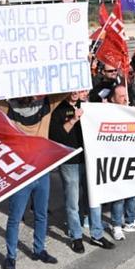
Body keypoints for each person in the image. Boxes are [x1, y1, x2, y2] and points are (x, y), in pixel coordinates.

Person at [0, 94, 64, 269]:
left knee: (41, 214)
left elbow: (66, 89)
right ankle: (10, 257)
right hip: (21, 173)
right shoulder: (9, 108)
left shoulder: (46, 104)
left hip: (42, 171)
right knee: (15, 217)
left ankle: (39, 249)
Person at [49, 92, 113, 251]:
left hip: (90, 159)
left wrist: (105, 110)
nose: (78, 93)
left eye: (82, 90)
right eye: (75, 90)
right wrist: (73, 120)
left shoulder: (89, 106)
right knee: (73, 201)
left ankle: (97, 235)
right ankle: (76, 236)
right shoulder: (58, 109)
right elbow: (57, 137)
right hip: (70, 161)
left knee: (94, 198)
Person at [109, 84, 135, 236]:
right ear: (113, 99)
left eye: (126, 95)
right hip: (116, 159)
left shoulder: (134, 111)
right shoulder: (108, 112)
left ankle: (130, 221)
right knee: (119, 194)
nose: (125, 98)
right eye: (121, 96)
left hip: (133, 157)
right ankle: (116, 224)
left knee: (133, 191)